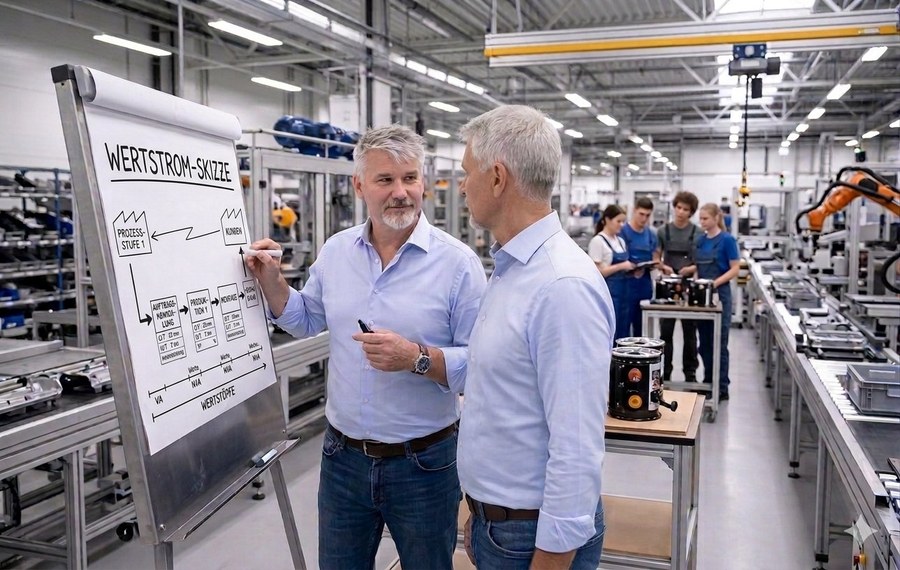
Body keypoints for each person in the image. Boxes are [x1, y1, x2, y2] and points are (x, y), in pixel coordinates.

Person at [245, 124, 487, 570]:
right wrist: (273, 281)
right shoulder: (337, 252)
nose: (401, 192)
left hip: (425, 464)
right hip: (343, 460)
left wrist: (415, 358)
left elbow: (483, 367)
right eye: (385, 180)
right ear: (359, 186)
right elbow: (306, 318)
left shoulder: (458, 265)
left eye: (410, 178)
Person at [456, 105, 613, 570]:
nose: (463, 186)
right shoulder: (512, 270)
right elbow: (501, 380)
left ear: (498, 177)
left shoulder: (560, 286)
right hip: (501, 526)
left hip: (532, 537)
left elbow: (577, 446)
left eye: (467, 173)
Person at [684, 203, 740, 401]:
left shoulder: (727, 240)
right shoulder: (700, 241)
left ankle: (721, 386)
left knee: (719, 341)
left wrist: (714, 284)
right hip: (702, 296)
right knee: (704, 342)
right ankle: (708, 382)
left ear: (716, 218)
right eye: (701, 219)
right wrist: (695, 280)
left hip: (719, 295)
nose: (702, 222)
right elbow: (698, 266)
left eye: (706, 218)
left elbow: (735, 268)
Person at [657, 191, 700, 383]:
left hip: (689, 286)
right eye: (679, 207)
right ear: (674, 207)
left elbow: (700, 261)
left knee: (690, 332)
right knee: (666, 332)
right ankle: (664, 372)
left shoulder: (697, 233)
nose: (681, 212)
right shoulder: (663, 231)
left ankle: (690, 373)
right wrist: (663, 266)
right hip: (668, 286)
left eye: (686, 209)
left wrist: (690, 268)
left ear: (691, 212)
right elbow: (656, 257)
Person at [588, 204, 635, 340]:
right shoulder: (598, 241)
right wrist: (621, 266)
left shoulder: (620, 241)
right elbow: (598, 273)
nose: (621, 225)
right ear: (607, 220)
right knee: (609, 332)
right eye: (618, 221)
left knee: (624, 332)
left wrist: (632, 270)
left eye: (623, 221)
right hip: (609, 294)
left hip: (625, 294)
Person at [619, 197, 658, 337]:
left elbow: (655, 257)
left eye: (647, 215)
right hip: (627, 286)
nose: (644, 218)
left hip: (645, 286)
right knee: (623, 329)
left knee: (642, 330)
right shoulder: (623, 232)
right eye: (641, 214)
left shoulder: (651, 235)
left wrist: (655, 264)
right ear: (634, 211)